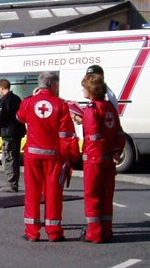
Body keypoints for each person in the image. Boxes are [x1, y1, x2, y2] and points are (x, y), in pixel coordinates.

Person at [16, 71, 79, 242]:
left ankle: (32, 233)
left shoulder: (28, 102)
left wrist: (32, 97)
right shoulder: (61, 105)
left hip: (32, 156)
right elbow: (66, 135)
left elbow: (20, 117)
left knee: (32, 193)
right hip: (54, 157)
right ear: (53, 85)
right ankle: (54, 232)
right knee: (53, 194)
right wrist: (70, 157)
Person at [78, 73, 124, 243]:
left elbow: (93, 136)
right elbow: (119, 133)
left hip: (94, 159)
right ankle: (106, 230)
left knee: (93, 196)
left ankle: (94, 233)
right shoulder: (110, 107)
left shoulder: (91, 110)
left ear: (90, 90)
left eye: (84, 87)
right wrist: (116, 151)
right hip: (108, 160)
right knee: (106, 197)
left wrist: (81, 118)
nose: (82, 90)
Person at [0, 78, 24, 191]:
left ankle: (11, 185)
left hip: (8, 133)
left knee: (8, 158)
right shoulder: (17, 98)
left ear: (2, 88)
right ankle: (14, 183)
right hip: (17, 132)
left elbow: (1, 118)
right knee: (15, 158)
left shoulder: (4, 100)